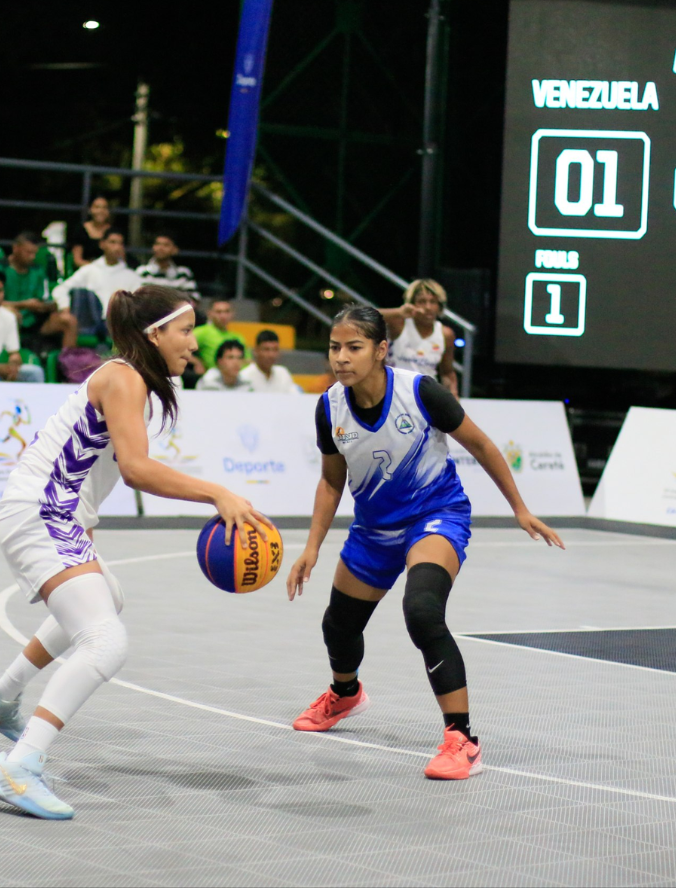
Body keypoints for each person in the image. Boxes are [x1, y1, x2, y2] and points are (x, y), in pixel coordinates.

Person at [0, 285, 271, 820]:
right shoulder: (124, 376)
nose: (193, 344)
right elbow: (136, 469)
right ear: (154, 334)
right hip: (43, 513)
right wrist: (218, 492)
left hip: (51, 512)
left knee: (107, 596)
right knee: (105, 642)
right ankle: (19, 766)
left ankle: (0, 697)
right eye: (185, 331)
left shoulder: (132, 380)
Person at [286, 305, 564, 780]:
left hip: (435, 517)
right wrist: (312, 546)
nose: (342, 358)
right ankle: (345, 693)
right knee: (338, 626)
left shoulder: (420, 393)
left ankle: (462, 739)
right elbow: (332, 482)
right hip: (374, 529)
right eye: (335, 347)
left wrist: (519, 507)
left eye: (354, 348)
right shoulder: (329, 406)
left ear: (380, 350)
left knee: (422, 611)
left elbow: (481, 445)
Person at [53, 229, 140, 341]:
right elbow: (60, 289)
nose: (117, 247)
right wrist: (65, 308)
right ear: (102, 244)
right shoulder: (90, 270)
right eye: (112, 242)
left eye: (120, 243)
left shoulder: (132, 276)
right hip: (90, 324)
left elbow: (139, 305)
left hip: (118, 325)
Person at [380, 279, 460, 398]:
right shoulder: (399, 325)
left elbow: (447, 372)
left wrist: (453, 393)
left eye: (433, 302)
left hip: (426, 396)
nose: (428, 307)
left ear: (439, 306)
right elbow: (363, 316)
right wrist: (399, 312)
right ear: (412, 304)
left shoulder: (446, 334)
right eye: (422, 302)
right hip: (394, 393)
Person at [1, 231, 75, 350]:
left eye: (34, 253)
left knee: (69, 321)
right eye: (28, 252)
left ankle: (67, 364)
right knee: (13, 315)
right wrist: (22, 305)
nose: (32, 257)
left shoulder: (38, 271)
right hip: (8, 318)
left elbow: (45, 299)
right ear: (16, 248)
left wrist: (49, 306)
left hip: (35, 320)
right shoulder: (0, 268)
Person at [191, 298, 247, 372]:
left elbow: (247, 360)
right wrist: (196, 362)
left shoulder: (238, 337)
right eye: (218, 312)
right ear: (209, 313)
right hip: (212, 377)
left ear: (232, 314)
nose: (223, 316)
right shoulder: (202, 332)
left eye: (227, 311)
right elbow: (180, 349)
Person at [134, 232, 197, 297]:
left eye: (166, 245)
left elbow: (193, 298)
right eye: (157, 244)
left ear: (175, 250)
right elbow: (135, 298)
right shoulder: (142, 271)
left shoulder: (183, 273)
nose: (160, 248)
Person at [68, 196, 112, 269]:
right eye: (97, 207)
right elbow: (77, 260)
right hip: (86, 271)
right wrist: (97, 268)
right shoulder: (80, 230)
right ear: (90, 209)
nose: (101, 211)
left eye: (104, 207)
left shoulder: (113, 232)